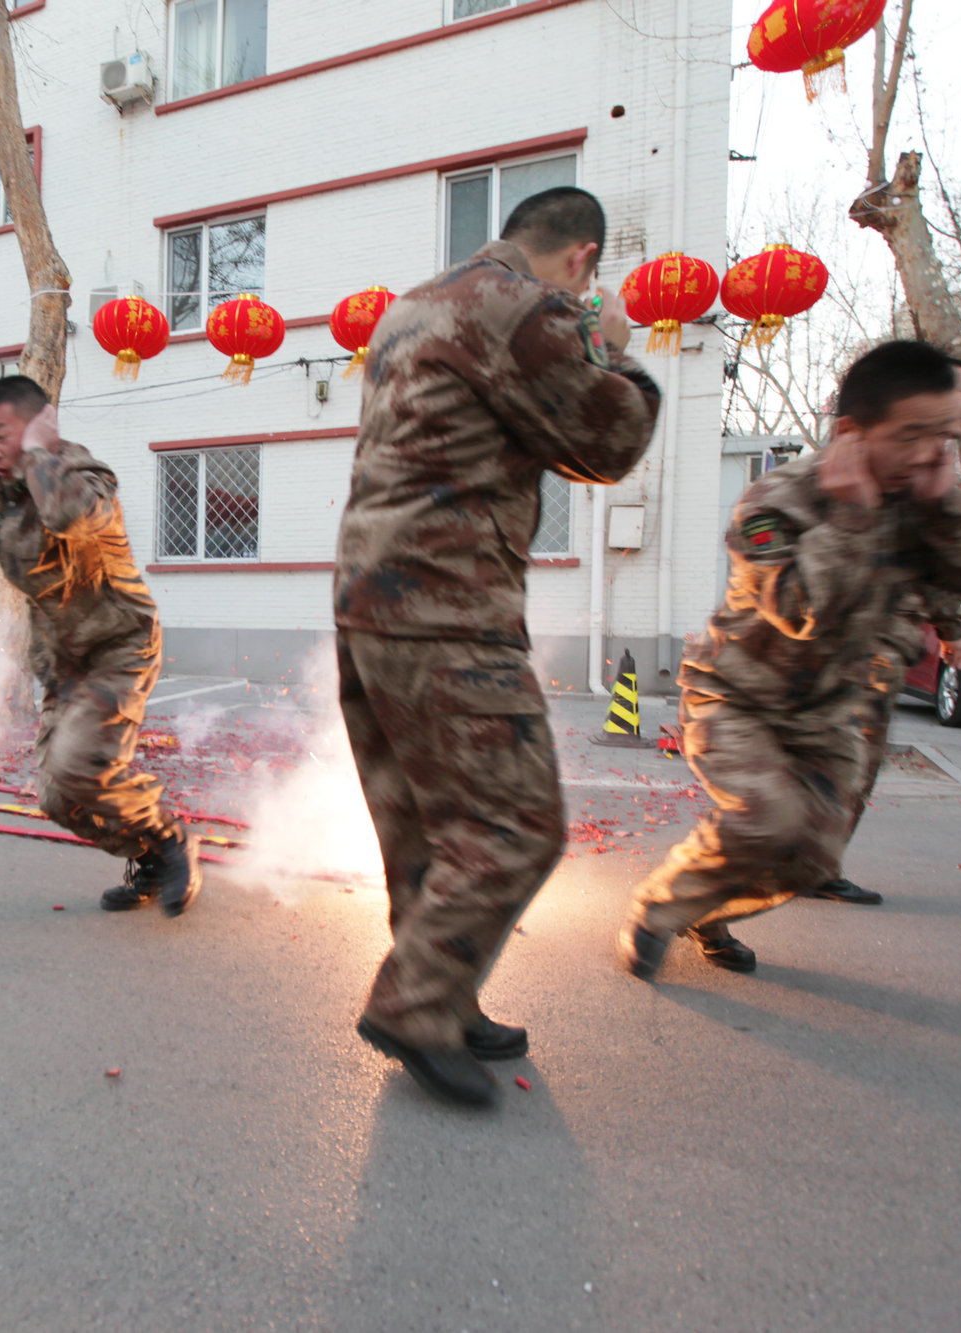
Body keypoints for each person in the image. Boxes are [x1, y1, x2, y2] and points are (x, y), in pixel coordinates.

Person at [333, 186, 663, 1107]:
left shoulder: (410, 307)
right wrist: (619, 349)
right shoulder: (527, 309)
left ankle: (448, 993)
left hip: (365, 597)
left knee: (424, 823)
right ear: (581, 258)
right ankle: (415, 1004)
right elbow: (607, 439)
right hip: (446, 604)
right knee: (518, 823)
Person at [620, 341, 961, 979]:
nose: (926, 454)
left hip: (828, 715)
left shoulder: (925, 502)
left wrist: (951, 509)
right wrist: (853, 517)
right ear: (850, 433)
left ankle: (707, 909)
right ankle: (659, 907)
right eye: (910, 435)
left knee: (814, 857)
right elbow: (798, 609)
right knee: (766, 818)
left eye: (941, 438)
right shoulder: (776, 500)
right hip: (736, 698)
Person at [0, 376, 200, 915]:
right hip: (61, 661)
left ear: (35, 427)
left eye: (0, 435)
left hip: (118, 649)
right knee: (56, 798)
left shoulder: (84, 475)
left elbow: (69, 516)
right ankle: (148, 855)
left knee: (79, 765)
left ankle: (171, 840)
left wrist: (34, 453)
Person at [806, 358, 961, 907]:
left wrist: (951, 626)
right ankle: (787, 866)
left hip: (882, 643)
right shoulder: (860, 467)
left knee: (855, 762)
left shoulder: (930, 474)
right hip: (840, 644)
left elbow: (946, 565)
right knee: (830, 763)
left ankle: (816, 864)